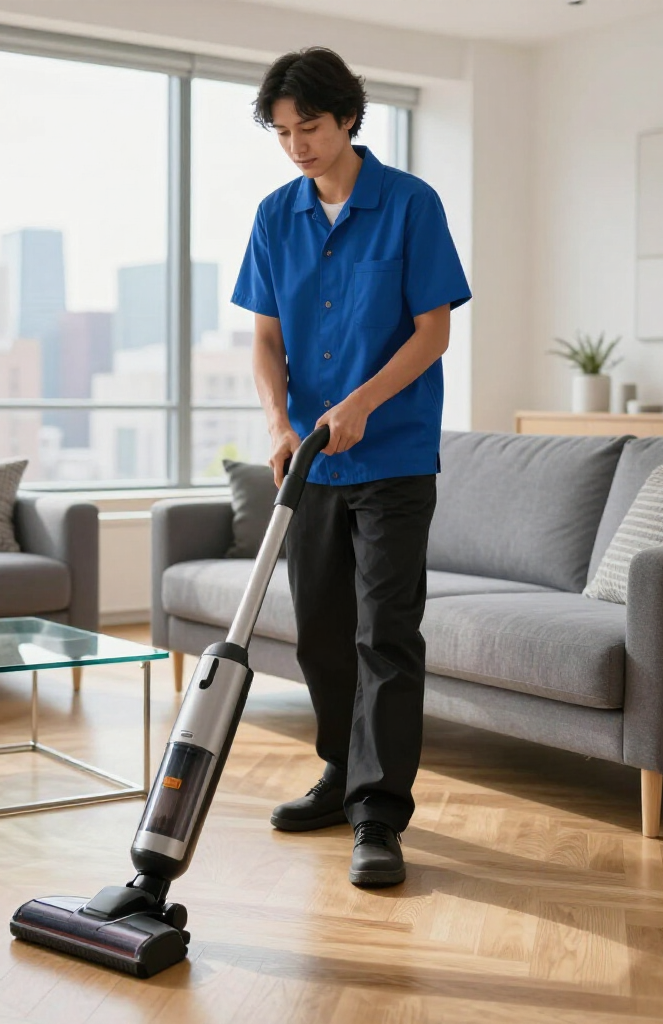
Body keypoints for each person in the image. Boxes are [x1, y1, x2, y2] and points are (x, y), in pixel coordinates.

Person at [231, 47, 471, 887]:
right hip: (311, 466)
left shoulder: (410, 204)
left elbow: (433, 331)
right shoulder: (275, 214)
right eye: (284, 132)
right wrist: (276, 418)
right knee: (321, 637)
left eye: (312, 128)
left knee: (386, 637)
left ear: (348, 119)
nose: (297, 145)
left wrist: (363, 401)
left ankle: (379, 814)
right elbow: (264, 336)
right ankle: (338, 773)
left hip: (395, 456)